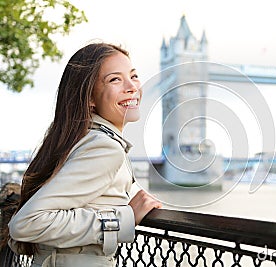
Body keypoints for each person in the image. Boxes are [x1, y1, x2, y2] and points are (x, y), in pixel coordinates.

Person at [6, 43, 162, 266]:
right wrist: (124, 218)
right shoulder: (104, 148)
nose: (132, 87)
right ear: (90, 98)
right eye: (115, 80)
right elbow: (26, 223)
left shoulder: (79, 140)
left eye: (134, 76)